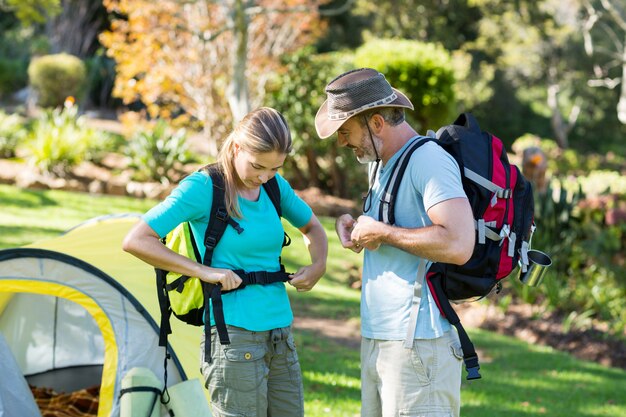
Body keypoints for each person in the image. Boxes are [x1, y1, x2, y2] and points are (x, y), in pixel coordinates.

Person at [123, 106, 328, 417]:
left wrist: (318, 265)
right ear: (236, 148)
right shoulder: (204, 187)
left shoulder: (274, 186)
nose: (264, 177)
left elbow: (312, 227)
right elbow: (136, 240)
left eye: (275, 168)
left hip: (280, 333)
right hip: (232, 335)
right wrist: (205, 272)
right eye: (258, 166)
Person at [315, 68, 475, 417]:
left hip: (420, 343)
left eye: (345, 131)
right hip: (382, 338)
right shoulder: (382, 164)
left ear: (376, 124)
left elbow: (460, 243)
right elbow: (398, 227)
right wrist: (359, 228)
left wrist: (383, 233)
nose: (342, 142)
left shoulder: (429, 160)